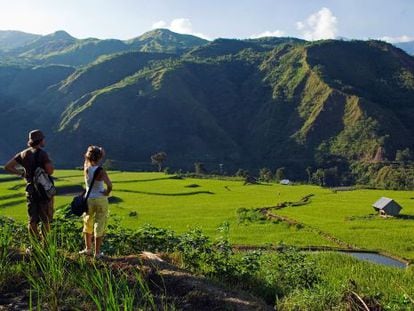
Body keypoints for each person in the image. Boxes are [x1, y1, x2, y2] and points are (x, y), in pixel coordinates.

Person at [4, 129, 54, 240]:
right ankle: (45, 246)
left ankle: (34, 245)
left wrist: (22, 173)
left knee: (32, 220)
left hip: (30, 189)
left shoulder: (23, 153)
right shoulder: (43, 154)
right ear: (40, 141)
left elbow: (8, 166)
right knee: (45, 220)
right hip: (43, 190)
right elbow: (50, 171)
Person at [79, 145, 112, 259]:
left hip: (89, 199)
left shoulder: (86, 169)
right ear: (99, 158)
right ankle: (97, 253)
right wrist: (107, 192)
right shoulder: (101, 171)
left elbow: (87, 160)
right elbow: (110, 185)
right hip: (101, 199)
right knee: (99, 224)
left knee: (87, 222)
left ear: (88, 157)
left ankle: (88, 249)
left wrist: (95, 153)